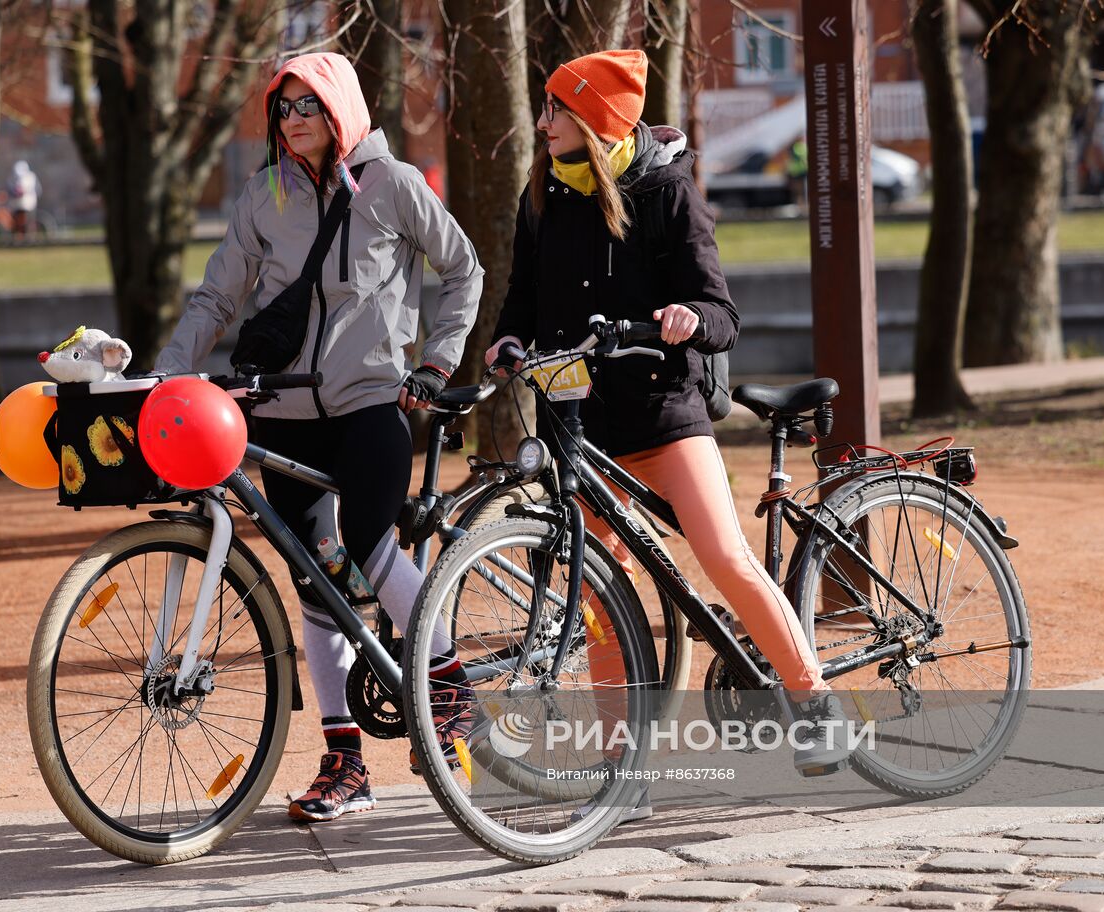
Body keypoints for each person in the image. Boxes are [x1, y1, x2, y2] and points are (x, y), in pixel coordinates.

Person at [483, 50, 849, 778]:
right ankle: (623, 762)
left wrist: (688, 317)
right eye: (546, 106)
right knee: (599, 589)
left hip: (662, 414)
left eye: (556, 108)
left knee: (722, 556)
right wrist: (507, 338)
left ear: (593, 119)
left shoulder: (666, 192)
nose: (543, 120)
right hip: (580, 424)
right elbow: (523, 297)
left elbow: (722, 311)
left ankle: (814, 706)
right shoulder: (543, 197)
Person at [155, 52, 483, 823]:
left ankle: (448, 682)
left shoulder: (394, 184)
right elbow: (217, 294)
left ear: (342, 108)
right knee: (312, 578)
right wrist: (170, 375)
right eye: (284, 106)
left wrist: (438, 360)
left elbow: (462, 268)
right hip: (281, 411)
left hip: (370, 402)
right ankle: (344, 760)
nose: (295, 117)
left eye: (310, 103)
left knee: (370, 542)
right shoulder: (262, 194)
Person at [7, 161, 40, 239]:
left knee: (29, 222)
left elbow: (37, 190)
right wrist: (15, 192)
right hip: (17, 205)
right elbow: (10, 189)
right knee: (18, 222)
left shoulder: (31, 177)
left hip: (29, 204)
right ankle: (19, 237)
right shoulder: (12, 178)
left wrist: (26, 192)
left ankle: (30, 237)